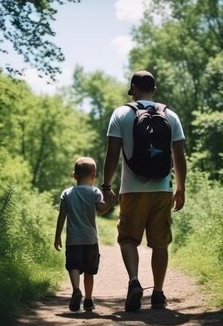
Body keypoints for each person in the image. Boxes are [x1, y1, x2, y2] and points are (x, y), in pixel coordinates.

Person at [101, 70, 186, 312]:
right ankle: (158, 294)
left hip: (131, 189)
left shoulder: (121, 114)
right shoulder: (171, 115)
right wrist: (180, 188)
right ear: (154, 89)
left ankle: (134, 281)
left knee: (128, 239)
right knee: (160, 243)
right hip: (163, 189)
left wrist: (106, 186)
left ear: (133, 88)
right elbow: (179, 157)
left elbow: (112, 155)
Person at [54, 157, 116, 312]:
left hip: (73, 239)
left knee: (73, 266)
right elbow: (101, 210)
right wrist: (111, 202)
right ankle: (88, 300)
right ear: (94, 176)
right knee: (89, 271)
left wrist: (57, 236)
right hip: (90, 239)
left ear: (74, 175)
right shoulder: (95, 192)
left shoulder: (67, 193)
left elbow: (61, 216)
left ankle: (76, 290)